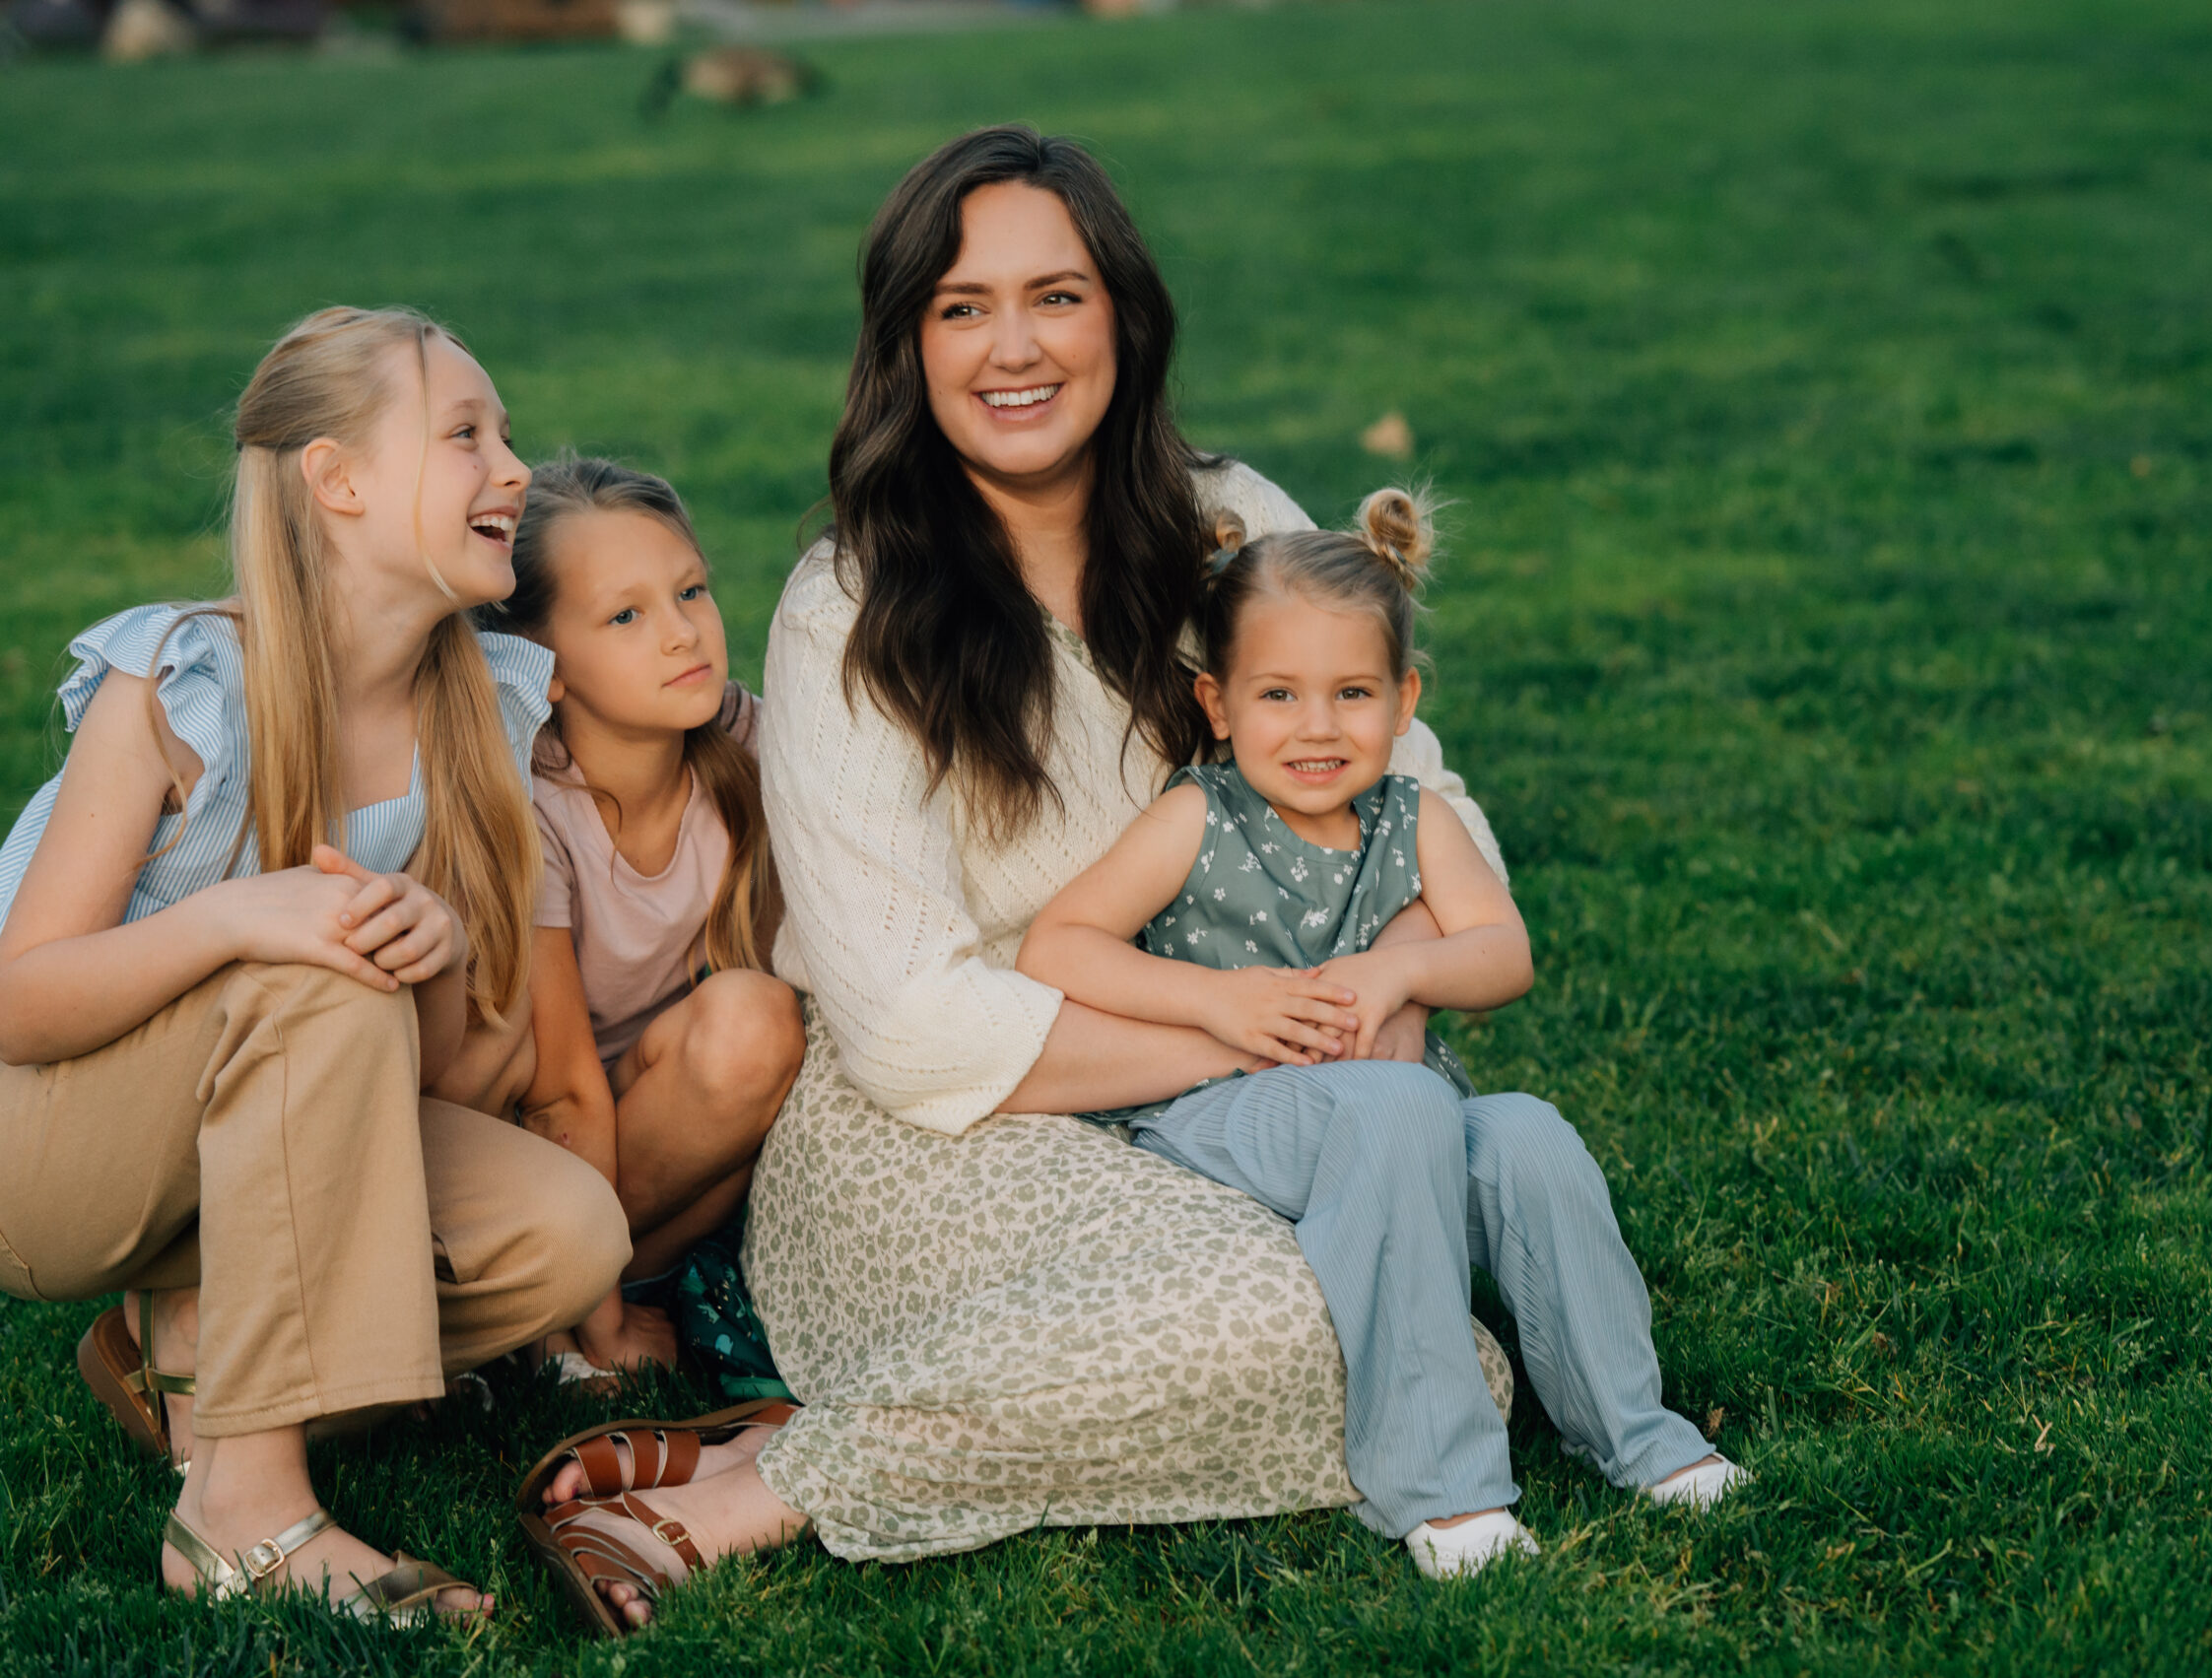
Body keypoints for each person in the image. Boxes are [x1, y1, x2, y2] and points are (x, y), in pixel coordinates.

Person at [512, 125, 1518, 1635]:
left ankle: (785, 1435)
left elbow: (1419, 800)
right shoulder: (849, 605)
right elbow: (915, 1026)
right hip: (947, 1126)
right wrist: (1272, 1025)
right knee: (1344, 1319)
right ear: (907, 346)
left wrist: (1377, 987)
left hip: (1244, 1093)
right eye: (961, 307)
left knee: (1442, 1343)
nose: (1013, 347)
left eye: (1055, 294)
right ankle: (747, 1499)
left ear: (1124, 312)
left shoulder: (1237, 521)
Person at [0, 305, 629, 1622]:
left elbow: (438, 1072)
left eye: (504, 436)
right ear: (336, 482)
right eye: (466, 435)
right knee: (316, 965)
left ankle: (183, 1339)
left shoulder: (485, 704)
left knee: (565, 1231)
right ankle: (245, 1508)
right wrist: (241, 918)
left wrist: (444, 946)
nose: (513, 468)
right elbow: (22, 1000)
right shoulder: (184, 682)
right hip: (43, 1146)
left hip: (262, 1127)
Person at [1016, 489, 1741, 1577]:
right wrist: (1219, 1000)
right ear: (1216, 703)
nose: (1317, 726)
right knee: (1404, 1103)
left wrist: (1401, 968)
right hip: (1222, 1111)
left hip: (1388, 1109)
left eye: (1351, 692)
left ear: (1403, 700)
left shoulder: (1415, 818)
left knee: (1529, 1132)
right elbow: (1058, 946)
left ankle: (1634, 1432)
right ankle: (1439, 1484)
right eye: (1279, 694)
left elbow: (1504, 951)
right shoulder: (1196, 818)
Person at [467, 454, 804, 1384]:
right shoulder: (529, 804)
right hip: (525, 1134)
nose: (682, 633)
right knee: (750, 1025)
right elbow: (559, 1085)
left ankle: (553, 1316)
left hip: (660, 1129)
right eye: (626, 615)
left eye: (690, 590)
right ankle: (551, 1310)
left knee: (762, 1027)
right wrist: (604, 1316)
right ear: (547, 670)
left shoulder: (752, 743)